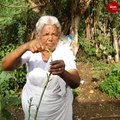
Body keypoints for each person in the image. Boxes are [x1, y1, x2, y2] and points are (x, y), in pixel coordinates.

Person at [1, 15, 80, 120]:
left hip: (58, 112)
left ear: (59, 36)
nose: (50, 38)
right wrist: (25, 47)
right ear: (38, 35)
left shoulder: (64, 52)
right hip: (32, 110)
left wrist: (63, 73)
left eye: (54, 34)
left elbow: (76, 82)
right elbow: (5, 66)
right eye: (46, 34)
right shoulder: (32, 50)